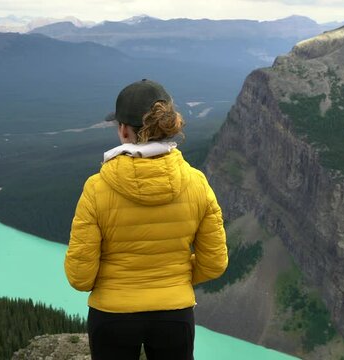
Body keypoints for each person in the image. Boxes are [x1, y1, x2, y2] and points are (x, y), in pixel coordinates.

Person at [64, 79, 229, 360]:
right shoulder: (197, 183)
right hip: (174, 317)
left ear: (124, 130)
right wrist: (174, 277)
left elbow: (80, 277)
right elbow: (214, 263)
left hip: (112, 317)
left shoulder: (96, 187)